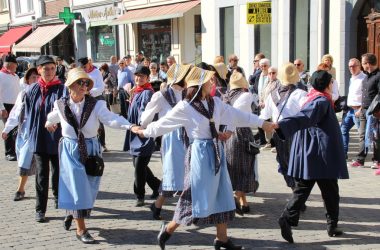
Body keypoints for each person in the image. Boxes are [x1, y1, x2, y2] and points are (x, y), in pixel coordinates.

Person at [136, 66, 274, 250]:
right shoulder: (185, 107)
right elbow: (162, 124)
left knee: (222, 192)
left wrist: (262, 123)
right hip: (199, 155)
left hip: (216, 151)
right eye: (209, 80)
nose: (213, 82)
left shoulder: (215, 103)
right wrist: (144, 132)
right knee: (193, 196)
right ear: (199, 85)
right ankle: (168, 229)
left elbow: (237, 115)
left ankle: (222, 238)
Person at [45, 68, 139, 244]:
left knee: (89, 189)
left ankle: (72, 212)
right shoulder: (61, 104)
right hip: (70, 149)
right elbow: (52, 117)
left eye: (86, 83)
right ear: (70, 85)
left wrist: (130, 126)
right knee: (78, 188)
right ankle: (81, 229)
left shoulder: (96, 105)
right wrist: (48, 123)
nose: (84, 86)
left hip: (91, 149)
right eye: (80, 82)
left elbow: (111, 119)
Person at [274, 70, 348, 243]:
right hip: (320, 155)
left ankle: (294, 219)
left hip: (314, 153)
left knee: (308, 189)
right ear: (327, 84)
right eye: (331, 82)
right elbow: (303, 118)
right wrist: (281, 126)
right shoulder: (320, 100)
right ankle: (327, 224)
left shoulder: (316, 97)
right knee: (326, 191)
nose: (333, 85)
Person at [140, 63, 192, 220]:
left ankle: (160, 206)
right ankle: (160, 205)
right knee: (173, 174)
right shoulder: (161, 95)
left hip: (187, 136)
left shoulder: (187, 94)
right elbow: (145, 117)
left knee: (189, 172)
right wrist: (146, 128)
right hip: (171, 138)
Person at [24, 55, 67, 222]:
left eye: (52, 68)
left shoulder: (62, 89)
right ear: (39, 70)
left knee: (58, 172)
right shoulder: (31, 89)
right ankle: (40, 209)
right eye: (46, 69)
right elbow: (28, 113)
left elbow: (65, 112)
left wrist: (59, 123)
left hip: (57, 137)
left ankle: (59, 199)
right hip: (39, 138)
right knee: (42, 175)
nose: (49, 72)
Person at [260, 63, 307, 193]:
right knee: (297, 163)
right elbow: (306, 115)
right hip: (297, 133)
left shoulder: (272, 94)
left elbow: (265, 115)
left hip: (279, 133)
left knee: (284, 162)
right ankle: (297, 191)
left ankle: (294, 189)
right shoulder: (302, 94)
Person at [223, 71, 259, 214]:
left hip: (228, 134)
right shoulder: (246, 95)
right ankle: (236, 198)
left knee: (234, 167)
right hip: (242, 133)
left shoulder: (225, 96)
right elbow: (241, 113)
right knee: (246, 168)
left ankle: (244, 203)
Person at [126, 65, 161, 206]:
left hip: (143, 133)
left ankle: (139, 195)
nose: (138, 78)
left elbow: (145, 113)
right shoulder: (137, 91)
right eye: (137, 75)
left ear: (147, 78)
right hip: (135, 132)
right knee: (138, 164)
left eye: (142, 76)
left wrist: (141, 128)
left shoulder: (147, 92)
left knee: (139, 165)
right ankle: (158, 186)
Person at [2, 68, 39, 201]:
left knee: (44, 162)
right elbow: (15, 113)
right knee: (23, 160)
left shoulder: (46, 93)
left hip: (42, 134)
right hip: (25, 133)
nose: (35, 80)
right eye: (32, 77)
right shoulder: (23, 94)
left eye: (37, 77)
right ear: (27, 80)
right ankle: (21, 189)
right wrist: (6, 129)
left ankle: (46, 185)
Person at [350, 53, 380, 168]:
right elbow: (365, 95)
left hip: (375, 112)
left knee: (376, 137)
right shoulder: (366, 77)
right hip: (364, 111)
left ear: (367, 63)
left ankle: (377, 161)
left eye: (362, 63)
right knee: (362, 135)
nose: (362, 66)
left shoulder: (378, 76)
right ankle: (360, 159)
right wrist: (361, 109)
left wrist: (376, 111)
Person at [78, 57, 107, 151]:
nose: (84, 69)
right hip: (84, 99)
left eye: (85, 66)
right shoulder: (81, 73)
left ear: (89, 64)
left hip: (96, 98)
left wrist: (90, 92)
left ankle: (102, 143)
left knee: (99, 122)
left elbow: (101, 87)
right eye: (82, 67)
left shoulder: (96, 72)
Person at [341, 58, 366, 160]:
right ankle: (343, 153)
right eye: (350, 66)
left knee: (361, 134)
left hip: (358, 110)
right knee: (343, 130)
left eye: (354, 66)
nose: (351, 68)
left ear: (359, 66)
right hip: (349, 110)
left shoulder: (364, 78)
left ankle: (362, 157)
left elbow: (366, 96)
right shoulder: (352, 78)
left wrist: (361, 108)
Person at [0, 54, 21, 161]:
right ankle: (9, 152)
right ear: (9, 65)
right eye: (15, 65)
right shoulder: (0, 75)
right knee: (9, 128)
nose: (16, 67)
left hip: (15, 105)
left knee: (16, 129)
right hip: (5, 105)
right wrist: (1, 108)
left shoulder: (16, 76)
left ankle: (15, 150)